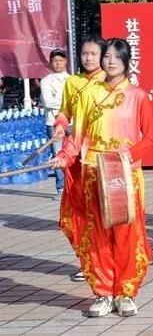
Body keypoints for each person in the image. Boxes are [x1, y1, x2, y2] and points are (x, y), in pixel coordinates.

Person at [50, 38, 153, 317]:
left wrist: (127, 155)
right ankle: (103, 292)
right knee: (97, 233)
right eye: (107, 56)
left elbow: (150, 138)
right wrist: (65, 156)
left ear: (126, 61)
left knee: (126, 232)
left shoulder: (138, 96)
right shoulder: (88, 94)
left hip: (124, 173)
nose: (110, 61)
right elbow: (77, 136)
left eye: (116, 57)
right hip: (94, 171)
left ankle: (126, 291)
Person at [53, 35, 107, 283]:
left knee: (101, 212)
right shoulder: (72, 82)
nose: (88, 58)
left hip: (100, 156)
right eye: (85, 53)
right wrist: (60, 124)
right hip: (75, 155)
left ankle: (102, 263)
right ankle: (86, 261)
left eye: (94, 54)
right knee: (75, 213)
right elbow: (65, 111)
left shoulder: (108, 82)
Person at [40, 49, 70, 198]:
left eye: (60, 60)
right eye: (55, 60)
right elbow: (47, 102)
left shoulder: (72, 80)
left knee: (73, 153)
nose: (58, 63)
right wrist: (67, 104)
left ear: (66, 62)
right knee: (58, 155)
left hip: (72, 122)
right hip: (53, 122)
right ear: (51, 63)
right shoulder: (46, 81)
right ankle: (61, 187)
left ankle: (74, 186)